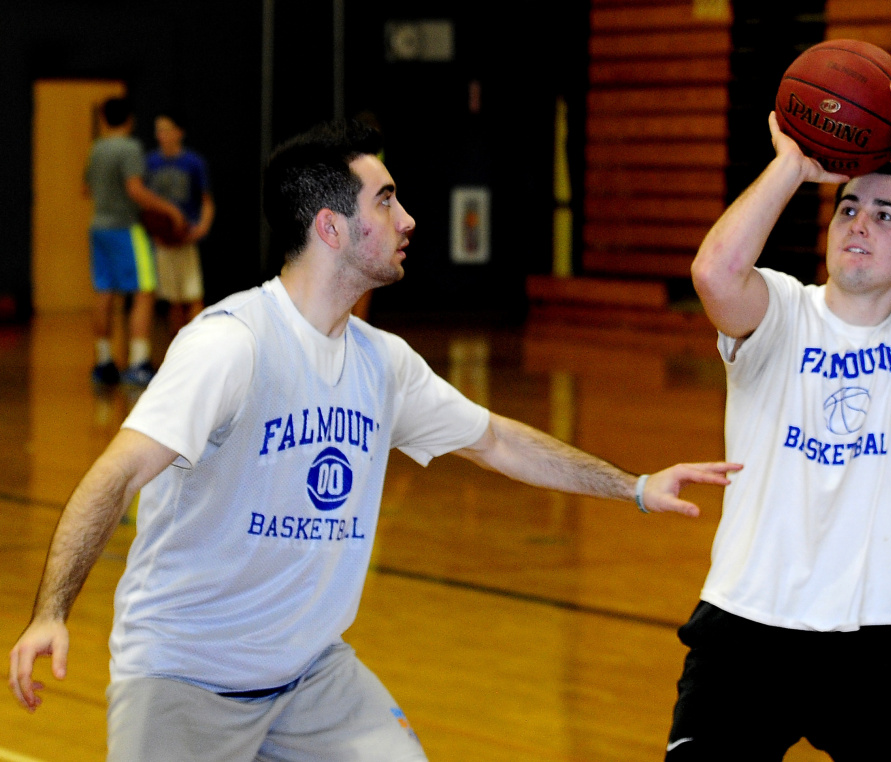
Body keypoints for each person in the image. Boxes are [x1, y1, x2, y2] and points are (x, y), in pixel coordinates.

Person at [9, 119, 741, 761]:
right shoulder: (232, 346)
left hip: (311, 679)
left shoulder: (380, 362)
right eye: (386, 201)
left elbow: (497, 442)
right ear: (329, 227)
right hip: (186, 679)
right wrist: (51, 612)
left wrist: (634, 487)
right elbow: (116, 474)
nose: (408, 219)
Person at [666, 72, 891, 760]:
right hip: (744, 629)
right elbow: (713, 274)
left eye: (884, 214)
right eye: (847, 208)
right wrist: (789, 166)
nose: (858, 222)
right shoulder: (777, 309)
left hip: (874, 641)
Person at [85, 96, 186, 387]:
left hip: (98, 227)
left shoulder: (97, 148)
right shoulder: (129, 148)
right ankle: (139, 362)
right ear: (129, 119)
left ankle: (103, 361)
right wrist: (168, 209)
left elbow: (86, 188)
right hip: (125, 228)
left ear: (104, 119)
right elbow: (135, 190)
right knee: (144, 291)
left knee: (104, 291)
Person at [146, 111, 215, 336]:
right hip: (162, 240)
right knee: (172, 299)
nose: (161, 135)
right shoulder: (150, 163)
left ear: (179, 132)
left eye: (166, 129)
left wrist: (202, 227)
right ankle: (178, 346)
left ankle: (199, 345)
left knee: (193, 294)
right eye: (158, 130)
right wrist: (154, 230)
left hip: (186, 237)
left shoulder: (193, 163)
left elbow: (206, 200)